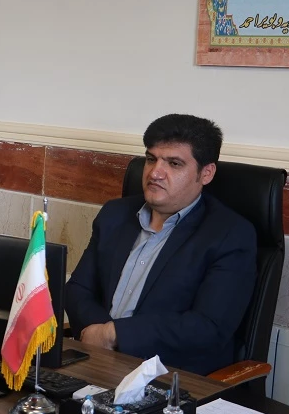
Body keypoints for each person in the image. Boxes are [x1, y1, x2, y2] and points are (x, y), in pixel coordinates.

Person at [64, 114, 256, 375]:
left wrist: (115, 334)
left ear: (206, 173)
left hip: (169, 377)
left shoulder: (230, 234)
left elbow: (207, 327)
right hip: (97, 361)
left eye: (174, 163)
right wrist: (98, 334)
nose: (155, 173)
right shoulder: (115, 214)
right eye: (151, 159)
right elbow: (78, 289)